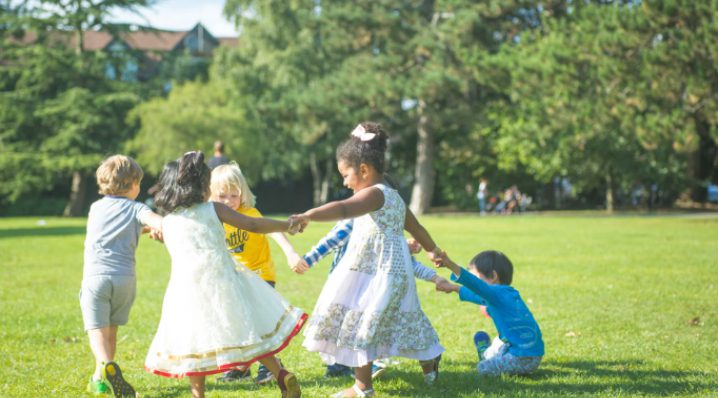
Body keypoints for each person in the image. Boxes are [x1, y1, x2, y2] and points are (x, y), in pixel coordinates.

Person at [293, 122, 445, 398]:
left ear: (364, 169)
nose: (344, 182)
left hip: (377, 273)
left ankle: (363, 388)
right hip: (394, 272)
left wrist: (309, 214)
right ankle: (430, 365)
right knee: (404, 318)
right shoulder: (394, 197)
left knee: (362, 322)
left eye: (346, 175)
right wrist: (433, 250)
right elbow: (417, 228)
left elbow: (343, 208)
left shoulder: (373, 194)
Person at [143, 152, 306, 398]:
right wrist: (287, 225)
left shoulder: (168, 222)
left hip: (187, 290)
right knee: (249, 330)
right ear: (202, 186)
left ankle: (199, 395)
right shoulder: (213, 209)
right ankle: (281, 375)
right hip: (225, 282)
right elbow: (252, 225)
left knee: (193, 342)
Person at [301, 220, 448, 379]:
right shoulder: (354, 219)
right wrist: (307, 260)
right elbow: (332, 240)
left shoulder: (386, 228)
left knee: (374, 327)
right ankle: (342, 365)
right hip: (346, 287)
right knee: (342, 326)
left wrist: (434, 277)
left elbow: (409, 263)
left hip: (374, 290)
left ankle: (371, 366)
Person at [209, 162, 310, 384]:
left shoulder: (250, 213)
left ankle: (271, 367)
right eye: (222, 196)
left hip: (260, 276)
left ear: (243, 193)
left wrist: (290, 252)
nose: (228, 202)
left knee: (258, 323)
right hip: (233, 279)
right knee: (236, 322)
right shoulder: (214, 219)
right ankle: (241, 367)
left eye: (234, 196)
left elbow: (274, 232)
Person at [80, 155, 163, 397]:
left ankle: (106, 366)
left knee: (97, 329)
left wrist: (145, 228)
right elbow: (157, 222)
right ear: (134, 184)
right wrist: (159, 228)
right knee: (112, 329)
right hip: (125, 279)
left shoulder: (95, 207)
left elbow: (111, 227)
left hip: (97, 277)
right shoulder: (137, 207)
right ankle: (100, 379)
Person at [434, 250, 544, 377]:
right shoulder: (507, 293)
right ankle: (488, 353)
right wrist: (453, 288)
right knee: (498, 343)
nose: (475, 285)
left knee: (483, 368)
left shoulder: (495, 293)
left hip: (522, 358)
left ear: (493, 276)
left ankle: (484, 355)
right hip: (531, 353)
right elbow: (476, 295)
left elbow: (475, 285)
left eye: (476, 278)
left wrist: (449, 264)